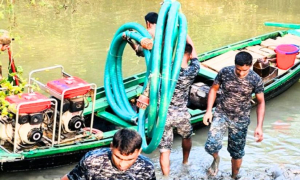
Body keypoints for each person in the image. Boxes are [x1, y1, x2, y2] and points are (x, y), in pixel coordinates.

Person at [202, 51, 265, 179]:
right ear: (234, 65)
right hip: (221, 113)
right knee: (210, 145)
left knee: (236, 153)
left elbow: (261, 102)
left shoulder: (255, 79)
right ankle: (216, 159)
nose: (241, 73)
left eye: (244, 70)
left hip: (240, 119)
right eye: (238, 69)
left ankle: (234, 176)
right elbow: (213, 89)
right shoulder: (225, 72)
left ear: (250, 66)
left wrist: (259, 126)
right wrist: (208, 111)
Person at [158, 38, 200, 176]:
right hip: (181, 114)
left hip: (164, 114)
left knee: (164, 149)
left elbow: (161, 50)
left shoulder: (165, 68)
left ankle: (165, 176)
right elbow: (195, 56)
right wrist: (186, 35)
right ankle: (185, 162)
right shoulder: (192, 71)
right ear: (188, 54)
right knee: (187, 137)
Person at [61, 128, 156, 180]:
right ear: (111, 146)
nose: (122, 165)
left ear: (139, 152)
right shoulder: (92, 161)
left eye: (129, 159)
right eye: (118, 157)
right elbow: (69, 178)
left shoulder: (147, 168)